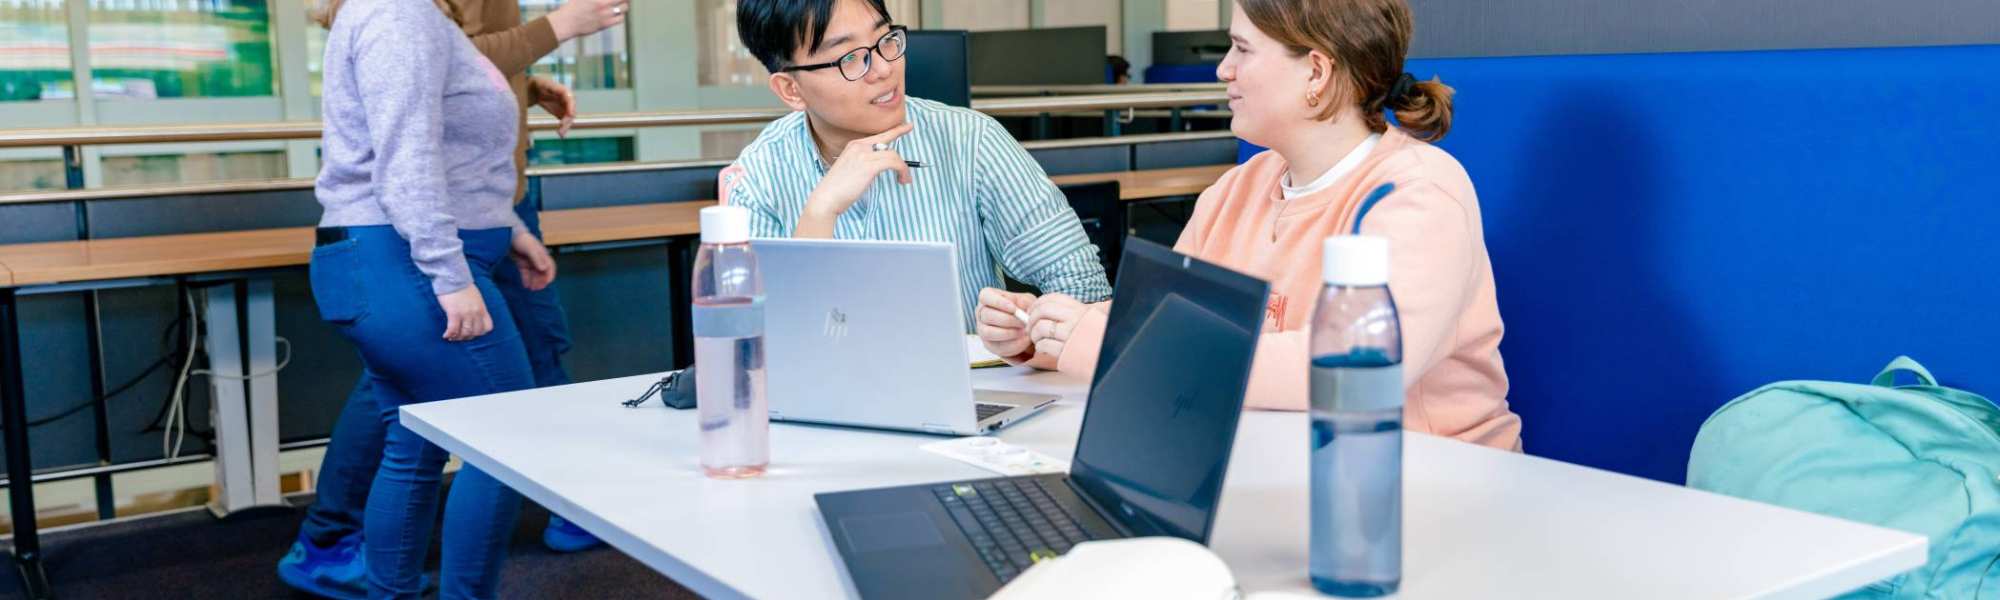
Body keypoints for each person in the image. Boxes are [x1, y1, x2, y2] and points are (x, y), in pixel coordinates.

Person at [977, 0, 1523, 450]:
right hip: (1270, 460)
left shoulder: (1418, 193)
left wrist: (1108, 344)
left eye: (1241, 49)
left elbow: (1352, 373)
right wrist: (1045, 334)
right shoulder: (1239, 188)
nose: (1223, 70)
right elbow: (1159, 319)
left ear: (1316, 71)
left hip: (1428, 480)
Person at [277, 0, 621, 597]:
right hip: (402, 261)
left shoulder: (417, 16)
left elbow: (451, 152)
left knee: (414, 442)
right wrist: (449, 274)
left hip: (401, 257)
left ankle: (394, 593)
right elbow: (404, 160)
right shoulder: (396, 14)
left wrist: (509, 229)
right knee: (505, 436)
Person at [722, 0, 1111, 340]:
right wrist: (820, 211)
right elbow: (751, 348)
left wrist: (1028, 340)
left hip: (973, 397)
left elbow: (1085, 290)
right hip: (824, 413)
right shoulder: (760, 176)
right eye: (849, 58)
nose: (883, 70)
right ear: (791, 89)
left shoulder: (970, 141)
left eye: (885, 40)